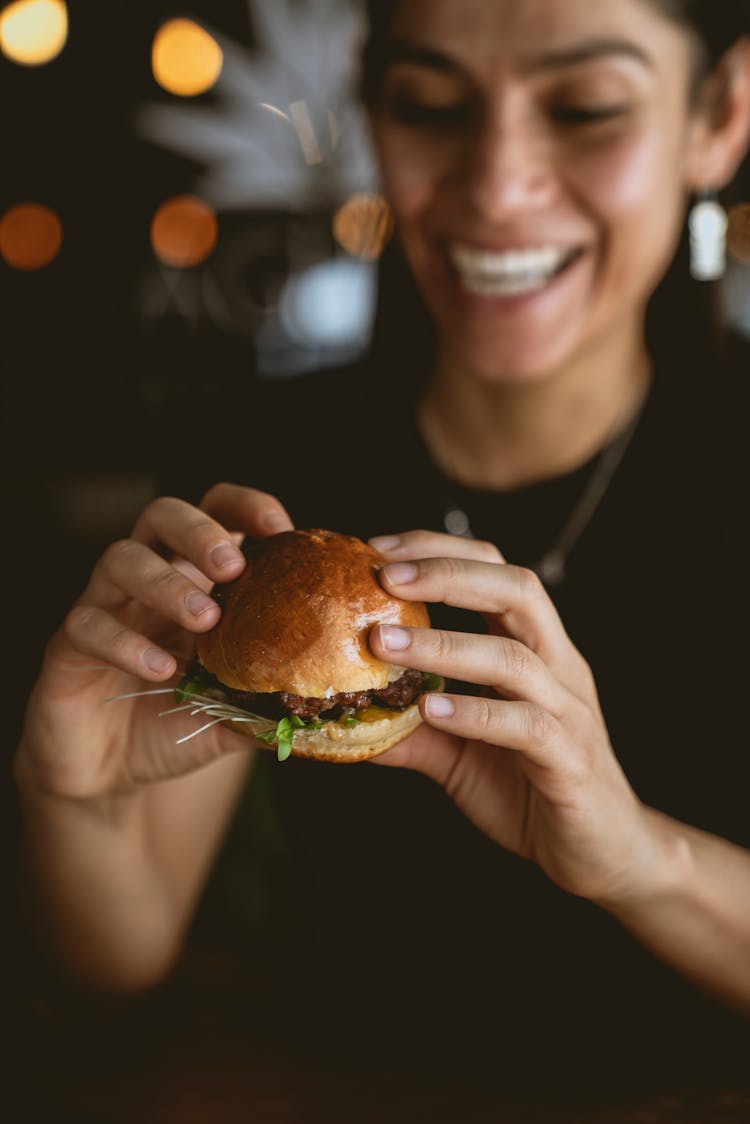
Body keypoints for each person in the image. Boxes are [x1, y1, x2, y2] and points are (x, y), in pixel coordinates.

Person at [12, 0, 750, 1100]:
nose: (497, 187)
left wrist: (640, 857)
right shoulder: (259, 474)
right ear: (373, 111)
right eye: (431, 105)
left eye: (587, 107)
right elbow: (123, 963)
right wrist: (74, 798)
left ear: (720, 116)